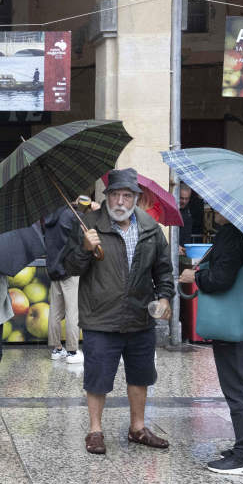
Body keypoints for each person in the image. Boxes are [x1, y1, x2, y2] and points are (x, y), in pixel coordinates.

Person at [59, 168, 173, 456]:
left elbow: (163, 270)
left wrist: (166, 297)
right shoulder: (88, 225)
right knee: (97, 377)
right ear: (106, 196)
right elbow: (70, 267)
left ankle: (138, 428)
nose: (120, 201)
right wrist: (85, 249)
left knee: (141, 375)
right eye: (115, 195)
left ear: (136, 198)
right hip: (101, 317)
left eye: (127, 195)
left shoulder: (150, 227)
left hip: (140, 316)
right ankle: (95, 430)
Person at [180, 209, 243, 476]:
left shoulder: (232, 234)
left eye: (217, 208)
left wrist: (196, 277)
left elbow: (220, 280)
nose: (213, 212)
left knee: (239, 384)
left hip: (236, 320)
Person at [42, 200, 85, 364]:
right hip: (70, 269)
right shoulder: (73, 216)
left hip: (54, 269)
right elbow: (84, 237)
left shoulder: (49, 216)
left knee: (55, 311)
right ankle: (73, 351)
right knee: (72, 311)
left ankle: (56, 348)